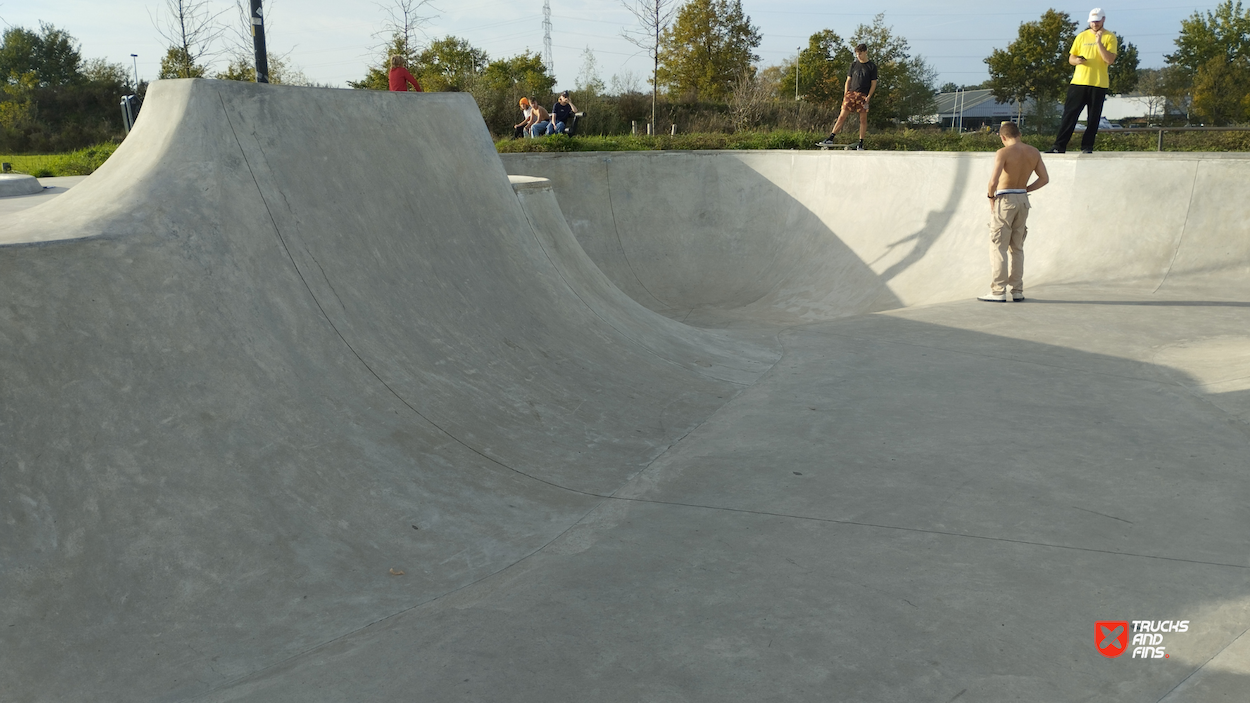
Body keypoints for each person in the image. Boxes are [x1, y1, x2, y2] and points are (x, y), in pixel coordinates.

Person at [978, 122, 1049, 303]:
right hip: (1023, 200)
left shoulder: (1003, 153)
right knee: (1017, 247)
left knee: (998, 246)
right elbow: (1044, 179)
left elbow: (993, 181)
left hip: (1005, 199)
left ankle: (998, 291)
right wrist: (1025, 188)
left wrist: (990, 197)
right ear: (1019, 133)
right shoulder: (1033, 152)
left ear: (1002, 137)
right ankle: (1017, 290)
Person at [1047, 8, 1117, 154]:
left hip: (1098, 83)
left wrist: (1099, 43)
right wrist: (1077, 60)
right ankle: (1059, 146)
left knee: (1093, 118)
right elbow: (1071, 58)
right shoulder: (1081, 36)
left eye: (1097, 21)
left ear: (1103, 20)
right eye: (1092, 21)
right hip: (1079, 82)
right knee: (1069, 115)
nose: (1095, 24)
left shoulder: (1110, 37)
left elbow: (1109, 60)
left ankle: (1087, 146)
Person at [816, 44, 877, 150]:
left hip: (863, 96)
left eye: (860, 54)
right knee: (841, 116)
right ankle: (831, 138)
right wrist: (846, 93)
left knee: (862, 120)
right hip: (851, 94)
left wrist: (869, 96)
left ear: (865, 52)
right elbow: (848, 80)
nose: (859, 56)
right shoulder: (853, 65)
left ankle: (861, 143)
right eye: (857, 54)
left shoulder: (871, 66)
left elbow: (874, 83)